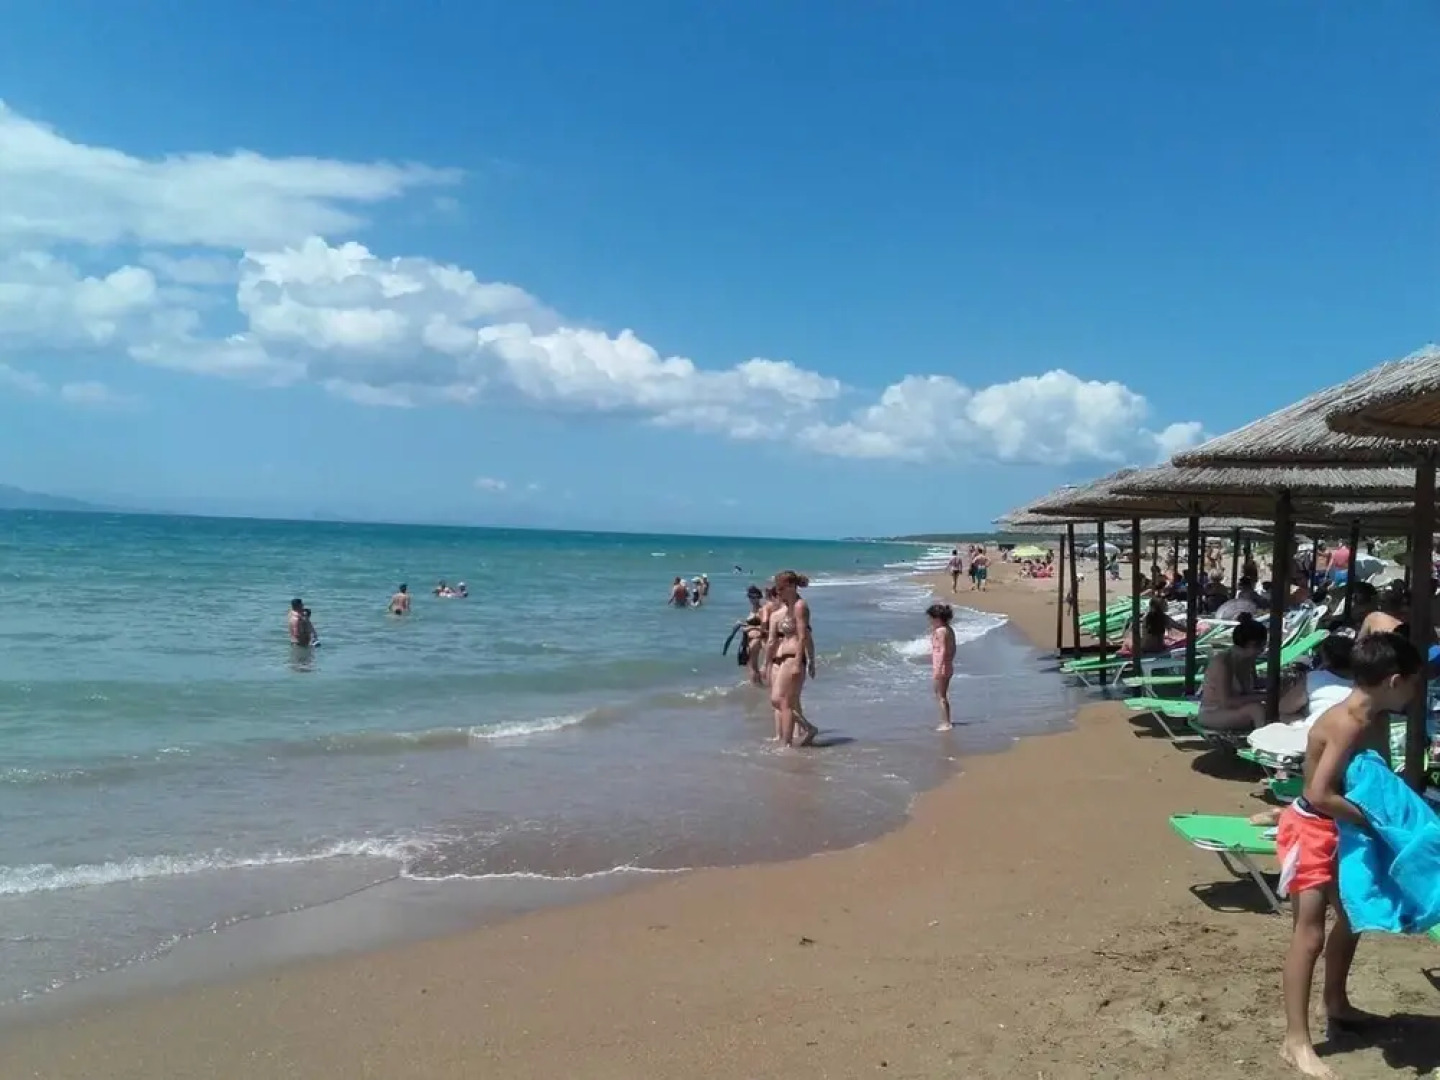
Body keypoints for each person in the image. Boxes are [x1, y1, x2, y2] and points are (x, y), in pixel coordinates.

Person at [1277, 631, 1422, 1079]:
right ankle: (1295, 1042)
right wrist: (1373, 820)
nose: (1418, 692)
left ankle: (1336, 1003)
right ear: (1394, 680)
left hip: (1343, 828)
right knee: (1309, 935)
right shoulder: (1349, 723)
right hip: (1314, 829)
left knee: (1353, 917)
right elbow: (1317, 792)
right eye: (1415, 684)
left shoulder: (1371, 715)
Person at [766, 570, 818, 747]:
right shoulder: (788, 607)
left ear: (791, 586)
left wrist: (801, 662)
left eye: (780, 589)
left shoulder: (799, 606)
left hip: (794, 658)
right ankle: (807, 728)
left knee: (783, 701)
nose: (777, 593)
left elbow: (804, 636)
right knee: (778, 700)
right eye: (777, 589)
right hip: (784, 658)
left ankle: (787, 743)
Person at [1195, 615, 1270, 732]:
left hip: (1234, 710)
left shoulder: (1248, 660)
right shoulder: (1223, 663)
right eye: (1261, 646)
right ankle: (1263, 744)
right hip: (1213, 712)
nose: (1262, 650)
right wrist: (1265, 696)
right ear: (1251, 644)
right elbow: (1227, 702)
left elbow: (1255, 685)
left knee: (1275, 707)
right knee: (1256, 710)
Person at [724, 585, 769, 686]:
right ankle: (758, 685)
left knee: (752, 665)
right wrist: (744, 624)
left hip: (757, 639)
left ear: (759, 597)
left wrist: (750, 628)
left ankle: (756, 687)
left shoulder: (761, 610)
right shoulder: (753, 610)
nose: (752, 599)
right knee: (751, 664)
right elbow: (754, 623)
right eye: (750, 597)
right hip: (749, 639)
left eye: (754, 597)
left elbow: (765, 627)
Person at [928, 603, 957, 731]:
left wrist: (939, 669)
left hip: (942, 666)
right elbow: (953, 648)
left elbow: (943, 650)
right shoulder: (949, 629)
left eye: (932, 618)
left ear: (937, 618)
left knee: (941, 695)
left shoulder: (940, 631)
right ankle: (946, 720)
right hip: (947, 665)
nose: (930, 621)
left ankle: (946, 722)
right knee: (941, 694)